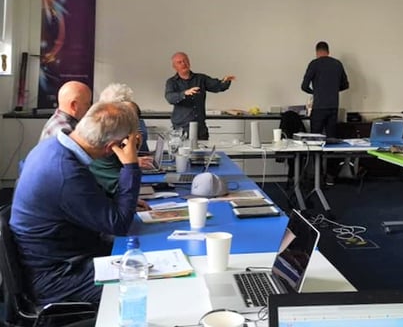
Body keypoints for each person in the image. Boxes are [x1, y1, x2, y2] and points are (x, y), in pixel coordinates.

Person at [10, 101, 141, 305]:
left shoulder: (51, 147)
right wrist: (131, 166)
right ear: (111, 148)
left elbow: (89, 199)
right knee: (142, 282)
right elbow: (119, 224)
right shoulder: (67, 173)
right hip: (58, 276)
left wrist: (120, 200)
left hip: (62, 256)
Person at [165, 51, 235, 140]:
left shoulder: (201, 78)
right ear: (174, 66)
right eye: (179, 62)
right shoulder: (171, 82)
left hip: (200, 128)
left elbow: (217, 86)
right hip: (182, 128)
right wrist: (184, 93)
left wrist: (225, 81)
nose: (183, 64)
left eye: (185, 60)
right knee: (183, 149)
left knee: (203, 149)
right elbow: (170, 97)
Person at [301, 41, 349, 138]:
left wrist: (315, 92)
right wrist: (333, 90)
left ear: (317, 52)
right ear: (328, 51)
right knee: (331, 137)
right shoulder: (337, 64)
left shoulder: (314, 64)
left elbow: (304, 86)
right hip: (333, 106)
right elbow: (345, 85)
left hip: (319, 107)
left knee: (315, 138)